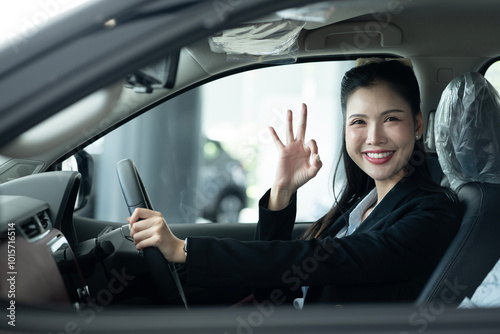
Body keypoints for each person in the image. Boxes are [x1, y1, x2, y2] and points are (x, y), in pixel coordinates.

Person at [127, 59, 461, 306]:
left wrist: (185, 250)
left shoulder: (434, 212)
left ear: (417, 125)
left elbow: (329, 259)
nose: (374, 137)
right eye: (358, 121)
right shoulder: (359, 205)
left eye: (391, 119)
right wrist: (282, 193)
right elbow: (273, 288)